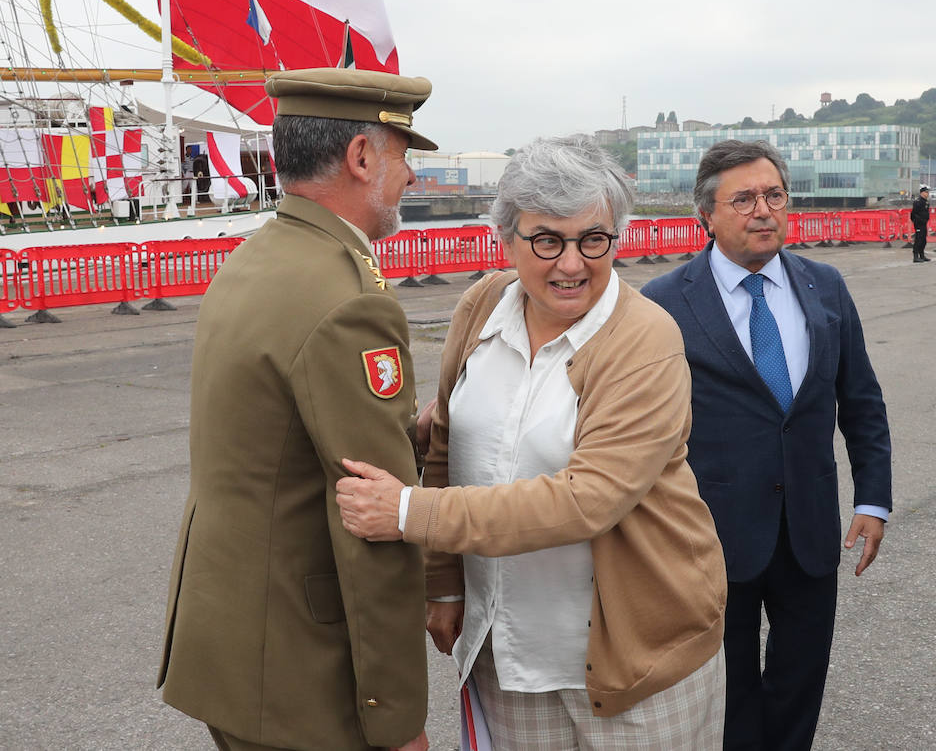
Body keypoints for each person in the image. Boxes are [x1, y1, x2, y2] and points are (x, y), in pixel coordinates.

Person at [335, 137, 729, 749]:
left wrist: (409, 514)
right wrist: (442, 583)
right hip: (507, 650)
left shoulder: (645, 340)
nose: (571, 264)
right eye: (547, 240)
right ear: (507, 239)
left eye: (593, 240)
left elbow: (588, 500)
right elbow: (445, 448)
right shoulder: (482, 305)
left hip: (636, 660)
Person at [158, 68, 435, 751]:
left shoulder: (260, 255)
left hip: (230, 643)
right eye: (403, 156)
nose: (412, 179)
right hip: (300, 677)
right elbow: (375, 526)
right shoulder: (348, 298)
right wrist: (396, 718)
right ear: (362, 157)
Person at [641, 139, 893, 751]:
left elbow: (860, 401)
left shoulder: (824, 286)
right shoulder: (662, 302)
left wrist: (873, 501)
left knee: (799, 684)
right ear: (707, 215)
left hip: (808, 528)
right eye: (745, 199)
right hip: (710, 534)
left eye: (774, 195)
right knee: (725, 692)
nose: (764, 210)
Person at [911, 185, 931, 262]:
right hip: (919, 223)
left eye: (928, 192)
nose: (927, 194)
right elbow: (913, 214)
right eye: (926, 192)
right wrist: (917, 221)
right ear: (922, 193)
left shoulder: (926, 202)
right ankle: (915, 256)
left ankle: (922, 255)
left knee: (923, 240)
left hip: (924, 223)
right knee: (918, 240)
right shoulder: (918, 202)